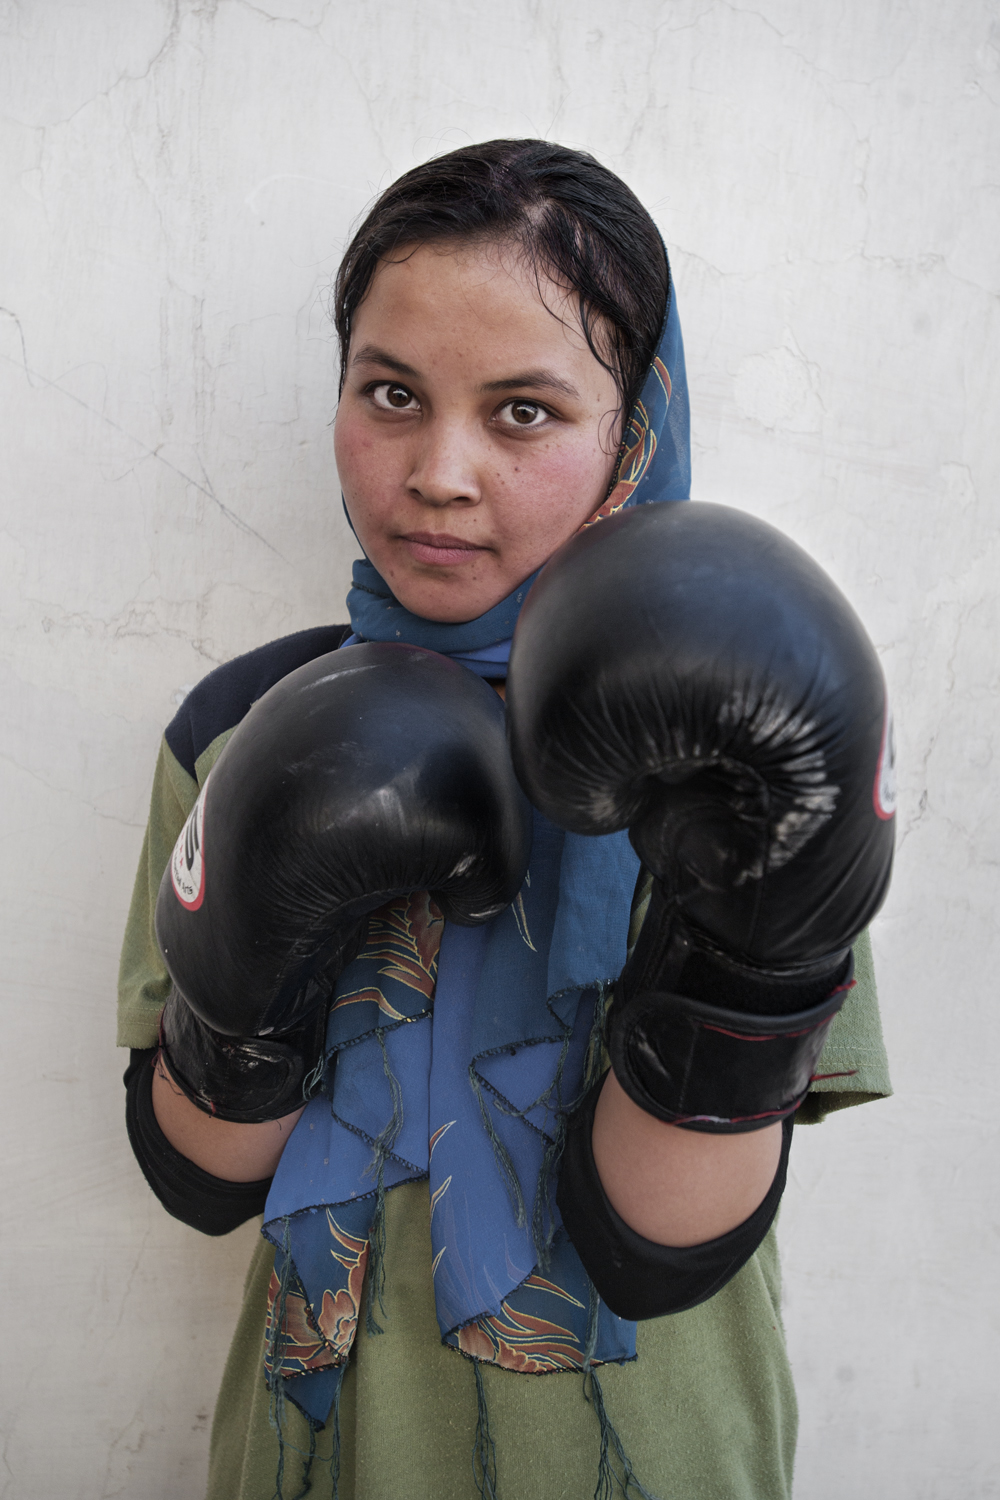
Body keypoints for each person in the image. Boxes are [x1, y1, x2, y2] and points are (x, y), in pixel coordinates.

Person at [118, 139, 894, 1500]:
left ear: (629, 434)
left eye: (525, 412)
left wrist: (752, 946)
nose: (440, 471)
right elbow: (200, 1177)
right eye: (393, 393)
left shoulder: (748, 727)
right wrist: (256, 948)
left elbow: (663, 1245)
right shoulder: (243, 730)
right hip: (319, 1459)